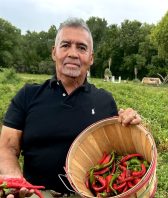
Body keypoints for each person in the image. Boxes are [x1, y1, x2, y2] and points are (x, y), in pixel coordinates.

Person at [0, 18, 141, 198]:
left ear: (91, 58)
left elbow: (118, 152)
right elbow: (7, 148)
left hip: (88, 193)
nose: (73, 53)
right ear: (54, 52)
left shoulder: (104, 101)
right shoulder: (28, 95)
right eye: (65, 45)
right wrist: (15, 180)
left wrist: (131, 124)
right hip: (35, 193)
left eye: (81, 48)